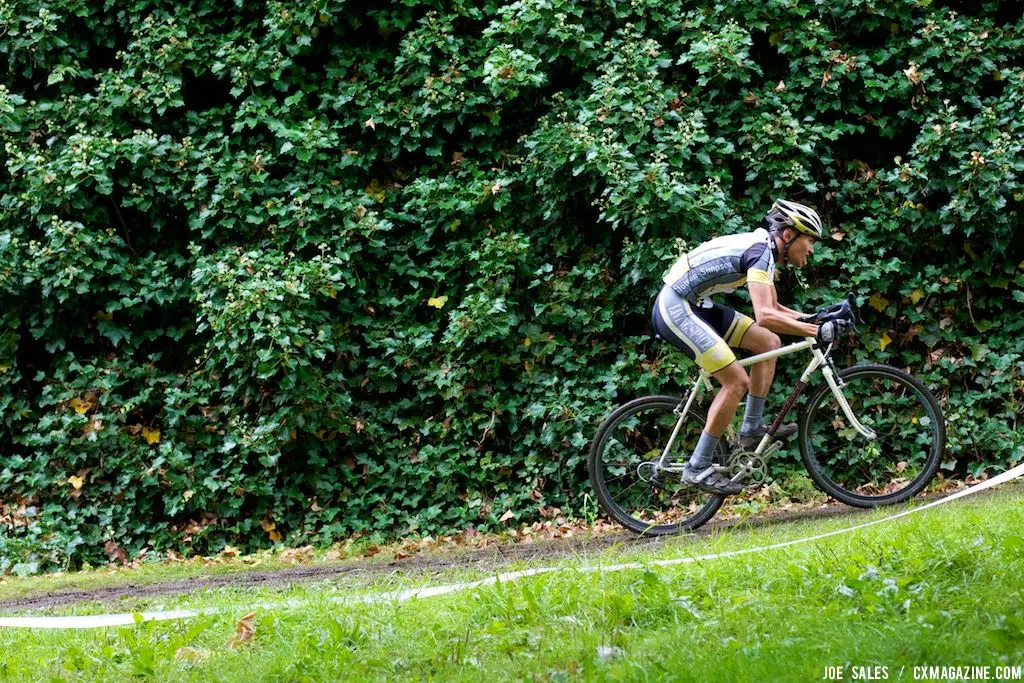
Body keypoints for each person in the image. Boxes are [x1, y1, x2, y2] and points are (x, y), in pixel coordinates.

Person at [651, 199, 848, 494]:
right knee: (736, 381)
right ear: (787, 235)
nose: (811, 249)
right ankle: (697, 466)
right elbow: (765, 315)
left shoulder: (765, 250)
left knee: (767, 342)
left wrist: (815, 318)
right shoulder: (760, 253)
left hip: (698, 306)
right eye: (808, 239)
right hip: (676, 308)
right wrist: (815, 330)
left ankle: (751, 430)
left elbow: (774, 306)